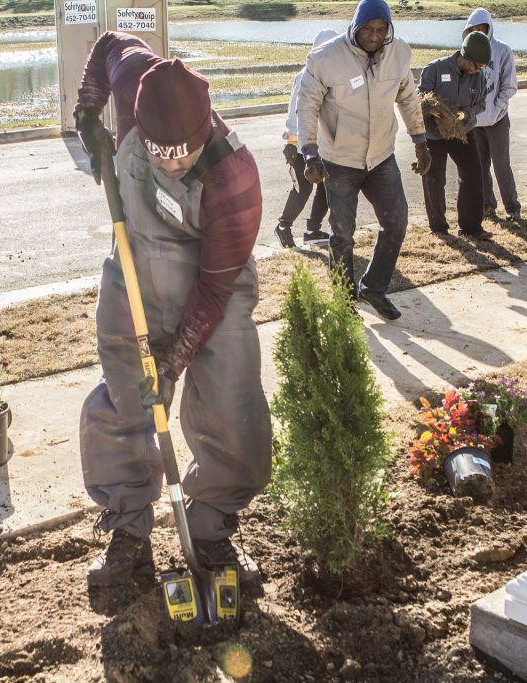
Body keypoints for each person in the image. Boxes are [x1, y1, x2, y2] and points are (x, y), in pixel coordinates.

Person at [74, 32, 272, 586]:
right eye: (159, 151)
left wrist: (174, 359)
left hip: (214, 288)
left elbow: (212, 292)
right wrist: (87, 112)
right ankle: (129, 529)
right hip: (134, 267)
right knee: (124, 397)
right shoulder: (136, 74)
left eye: (182, 150)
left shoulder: (234, 175)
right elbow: (107, 43)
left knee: (232, 405)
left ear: (205, 124)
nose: (172, 161)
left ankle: (209, 529)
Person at [296, 0, 431, 321]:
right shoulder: (324, 58)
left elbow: (408, 96)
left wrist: (421, 141)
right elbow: (307, 107)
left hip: (381, 157)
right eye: (367, 29)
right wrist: (310, 152)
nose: (374, 36)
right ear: (355, 28)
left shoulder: (399, 53)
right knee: (342, 234)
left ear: (389, 30)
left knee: (396, 221)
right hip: (339, 160)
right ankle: (344, 301)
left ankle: (373, 287)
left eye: (381, 30)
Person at [418, 31, 491, 240]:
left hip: (463, 132)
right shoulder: (434, 69)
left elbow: (481, 103)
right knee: (434, 178)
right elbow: (420, 97)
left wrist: (463, 115)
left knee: (473, 175)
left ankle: (471, 226)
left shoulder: (478, 77)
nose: (477, 70)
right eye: (476, 65)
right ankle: (439, 228)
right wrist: (436, 112)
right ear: (465, 55)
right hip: (434, 134)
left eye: (481, 67)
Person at [274, 29, 338, 249]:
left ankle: (312, 230)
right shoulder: (304, 75)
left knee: (326, 185)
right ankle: (283, 226)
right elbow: (296, 110)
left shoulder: (335, 76)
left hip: (325, 144)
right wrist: (291, 142)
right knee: (304, 188)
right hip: (301, 143)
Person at [464, 7, 521, 221]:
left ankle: (513, 208)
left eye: (482, 27)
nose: (478, 31)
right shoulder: (467, 51)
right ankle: (487, 205)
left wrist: (498, 108)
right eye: (474, 28)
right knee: (480, 167)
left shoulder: (502, 51)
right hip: (475, 120)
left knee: (501, 165)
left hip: (497, 119)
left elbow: (510, 85)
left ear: (489, 27)